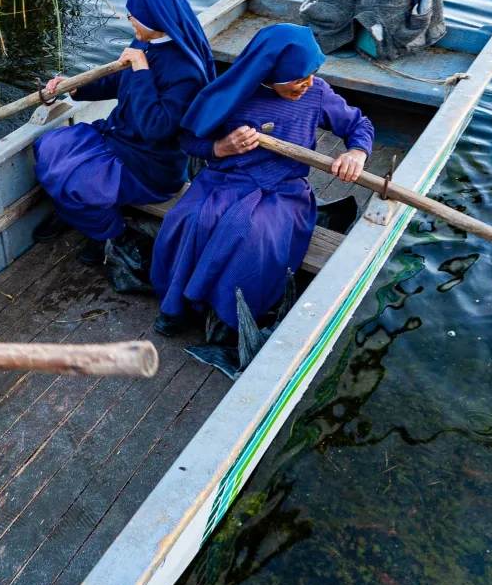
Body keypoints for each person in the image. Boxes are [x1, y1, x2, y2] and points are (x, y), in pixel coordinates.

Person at [151, 24, 374, 360]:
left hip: (283, 191)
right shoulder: (229, 94)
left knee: (253, 233)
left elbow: (359, 124)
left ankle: (228, 314)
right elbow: (190, 140)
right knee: (191, 218)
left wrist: (356, 152)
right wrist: (221, 147)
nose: (308, 83)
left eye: (313, 74)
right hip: (226, 180)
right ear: (271, 71)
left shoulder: (317, 94)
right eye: (298, 78)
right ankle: (177, 302)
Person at [30, 0, 216, 288]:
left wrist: (141, 69)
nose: (128, 19)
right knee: (48, 146)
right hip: (117, 138)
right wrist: (76, 86)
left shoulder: (186, 71)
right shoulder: (144, 41)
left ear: (156, 17)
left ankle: (109, 233)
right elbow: (117, 81)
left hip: (149, 165)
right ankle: (77, 214)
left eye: (134, 14)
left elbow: (155, 127)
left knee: (77, 183)